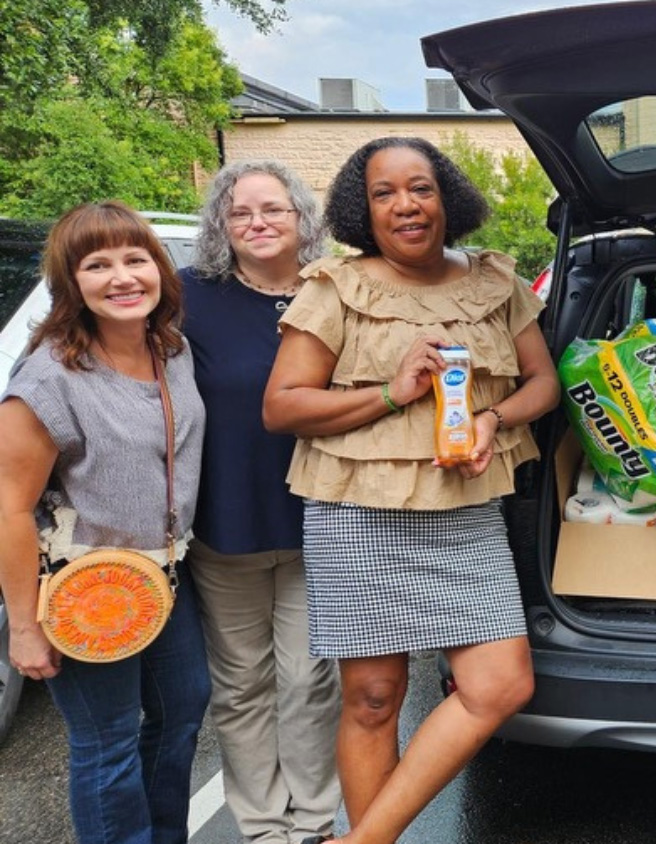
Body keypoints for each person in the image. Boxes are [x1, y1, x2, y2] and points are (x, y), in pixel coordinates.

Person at [263, 136, 560, 844]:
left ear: (446, 196)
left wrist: (494, 417)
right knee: (372, 699)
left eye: (420, 187)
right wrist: (391, 395)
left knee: (500, 686)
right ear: (362, 209)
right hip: (358, 513)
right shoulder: (337, 287)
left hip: (463, 514)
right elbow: (283, 407)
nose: (406, 205)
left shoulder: (495, 282)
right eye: (385, 193)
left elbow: (544, 384)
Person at [0, 201, 211, 844]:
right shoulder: (48, 378)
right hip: (82, 588)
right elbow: (9, 507)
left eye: (135, 258)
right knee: (108, 742)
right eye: (98, 264)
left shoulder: (169, 348)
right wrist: (26, 629)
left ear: (159, 268)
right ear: (72, 282)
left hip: (164, 577)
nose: (122, 277)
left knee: (182, 712)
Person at [184, 160, 341, 844]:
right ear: (221, 224)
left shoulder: (336, 290)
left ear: (301, 217)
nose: (257, 222)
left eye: (273, 209)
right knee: (242, 686)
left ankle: (313, 821)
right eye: (239, 212)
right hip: (225, 522)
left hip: (320, 518)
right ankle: (261, 827)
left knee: (309, 681)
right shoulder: (188, 295)